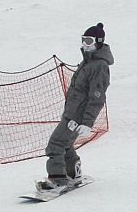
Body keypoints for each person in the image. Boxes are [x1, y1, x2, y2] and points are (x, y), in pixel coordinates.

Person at [40, 23, 112, 190]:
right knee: (64, 144)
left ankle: (57, 180)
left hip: (78, 116)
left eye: (89, 41)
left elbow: (97, 97)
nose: (84, 44)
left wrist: (87, 123)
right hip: (72, 112)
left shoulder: (99, 66)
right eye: (83, 40)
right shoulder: (88, 62)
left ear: (98, 42)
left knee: (55, 145)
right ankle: (73, 173)